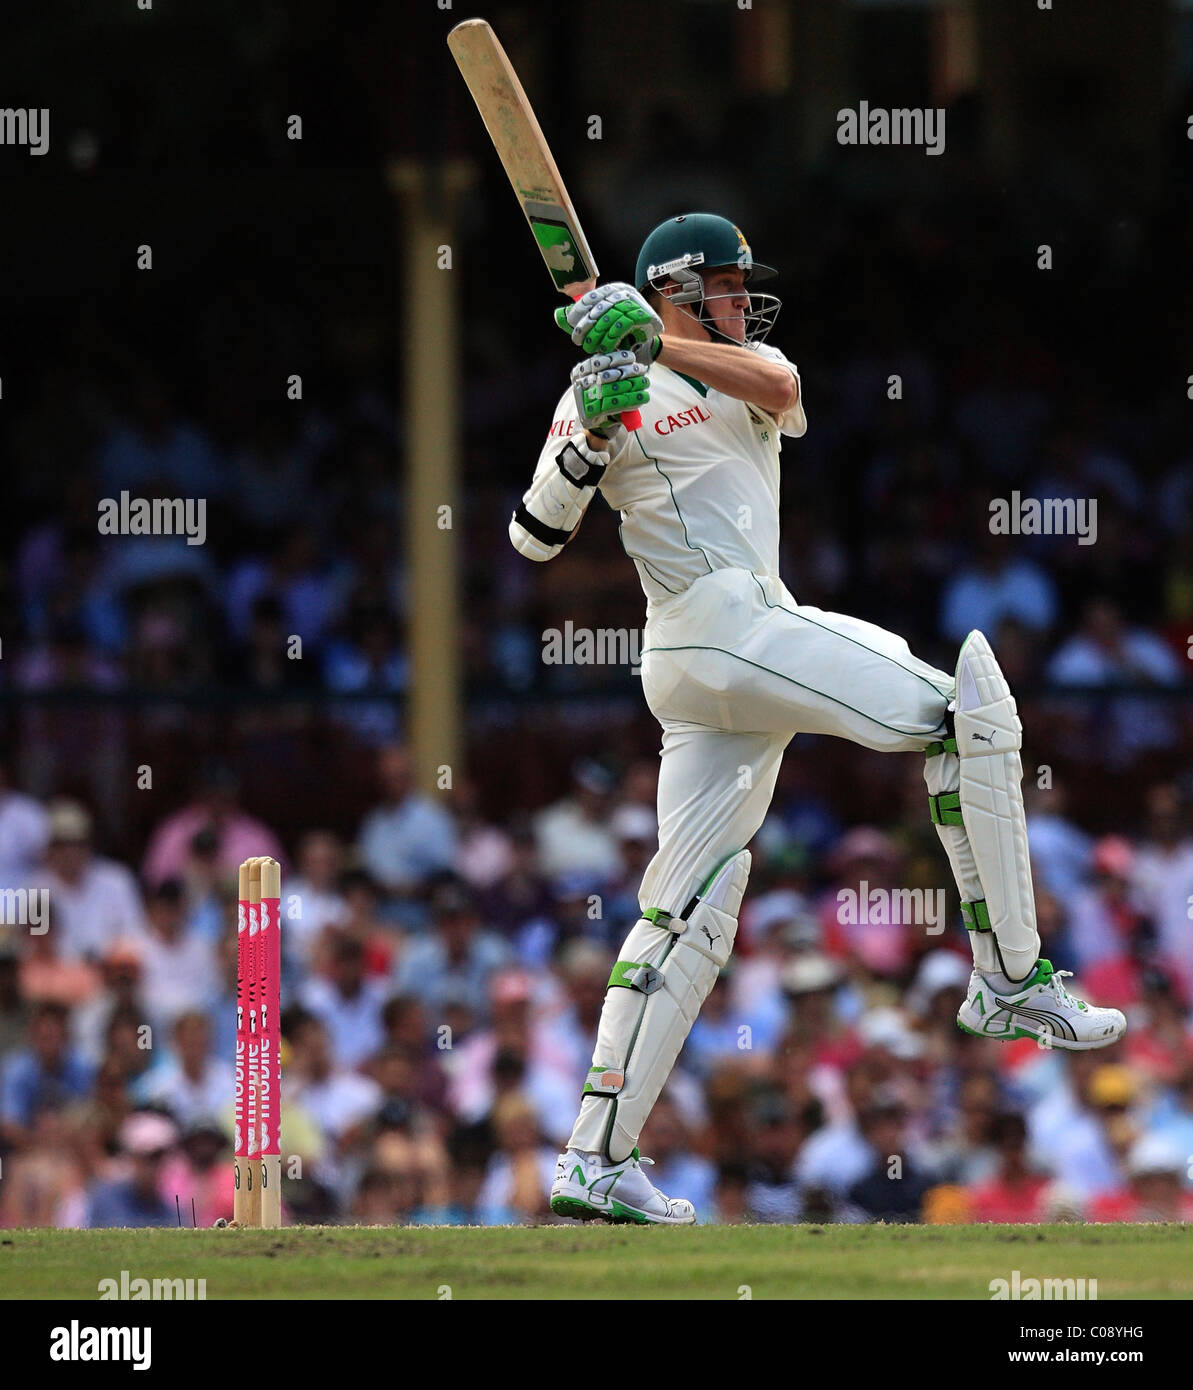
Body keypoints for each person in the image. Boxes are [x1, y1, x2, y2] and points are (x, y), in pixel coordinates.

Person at [505, 212, 1124, 1225]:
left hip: (736, 643)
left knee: (690, 907)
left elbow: (784, 393)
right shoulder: (599, 392)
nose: (745, 302)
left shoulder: (746, 365)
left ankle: (593, 1156)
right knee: (964, 714)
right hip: (706, 630)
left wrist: (650, 341)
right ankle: (1008, 977)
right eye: (728, 284)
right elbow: (533, 537)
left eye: (746, 287)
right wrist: (588, 434)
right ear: (677, 284)